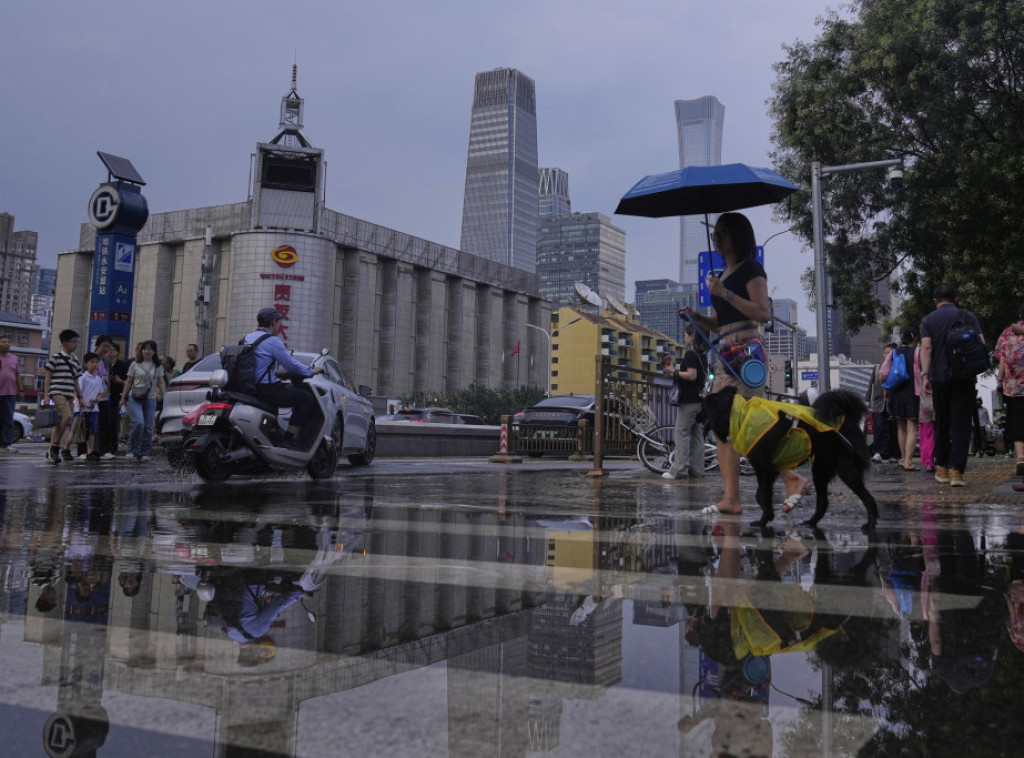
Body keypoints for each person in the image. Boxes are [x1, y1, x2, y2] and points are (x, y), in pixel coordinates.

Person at [679, 212, 806, 515]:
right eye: (715, 234)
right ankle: (732, 498)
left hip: (746, 354)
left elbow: (762, 313)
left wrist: (726, 293)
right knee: (723, 428)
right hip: (725, 355)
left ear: (737, 235)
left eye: (723, 232)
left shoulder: (751, 269)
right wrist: (697, 318)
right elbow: (721, 323)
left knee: (747, 426)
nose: (717, 238)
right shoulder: (720, 276)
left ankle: (791, 477)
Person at [920, 283, 984, 487]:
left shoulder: (929, 320)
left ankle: (942, 469)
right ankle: (957, 472)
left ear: (935, 301)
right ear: (956, 299)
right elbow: (981, 343)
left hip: (939, 377)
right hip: (964, 377)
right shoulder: (968, 316)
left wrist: (925, 376)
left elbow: (927, 348)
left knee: (942, 422)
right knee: (961, 424)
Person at [245, 306, 323, 449]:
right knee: (306, 398)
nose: (279, 326)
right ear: (273, 322)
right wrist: (312, 371)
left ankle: (273, 432)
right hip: (265, 389)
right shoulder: (272, 341)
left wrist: (273, 374)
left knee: (279, 391)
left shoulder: (247, 338)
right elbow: (291, 365)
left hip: (247, 387)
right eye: (278, 323)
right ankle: (289, 439)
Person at [662, 324, 707, 480]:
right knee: (696, 436)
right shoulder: (702, 355)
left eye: (686, 335)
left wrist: (673, 372)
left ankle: (679, 470)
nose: (685, 338)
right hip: (700, 401)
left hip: (689, 401)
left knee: (681, 433)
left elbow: (691, 375)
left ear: (692, 336)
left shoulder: (690, 355)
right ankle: (697, 470)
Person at [881, 327, 920, 471]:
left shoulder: (893, 352)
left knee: (900, 427)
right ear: (915, 338)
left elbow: (883, 372)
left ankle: (903, 459)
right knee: (912, 427)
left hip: (896, 393)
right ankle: (908, 462)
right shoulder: (917, 352)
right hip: (912, 393)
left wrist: (887, 389)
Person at [119, 340, 165, 462]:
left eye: (149, 349)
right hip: (135, 397)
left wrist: (163, 394)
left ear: (154, 351)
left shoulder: (157, 365)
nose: (146, 351)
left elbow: (160, 381)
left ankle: (145, 452)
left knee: (149, 426)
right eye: (144, 349)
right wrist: (123, 397)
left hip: (150, 398)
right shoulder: (134, 364)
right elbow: (129, 381)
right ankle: (132, 449)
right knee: (139, 422)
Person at [43, 329, 83, 464]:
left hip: (69, 393)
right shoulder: (56, 357)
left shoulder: (76, 360)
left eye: (77, 342)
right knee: (67, 417)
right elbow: (47, 377)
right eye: (73, 342)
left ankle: (51, 451)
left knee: (59, 423)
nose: (76, 345)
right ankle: (55, 446)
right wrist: (46, 395)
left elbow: (76, 380)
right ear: (65, 343)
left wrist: (80, 396)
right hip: (56, 391)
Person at [994, 304, 1024, 479]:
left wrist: (999, 381)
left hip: (1014, 387)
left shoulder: (1008, 332)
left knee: (1017, 422)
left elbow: (1002, 359)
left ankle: (1020, 457)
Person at [77, 352, 107, 461]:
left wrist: (97, 399)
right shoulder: (82, 377)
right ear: (86, 364)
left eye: (96, 362)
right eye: (92, 362)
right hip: (82, 409)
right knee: (82, 430)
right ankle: (72, 450)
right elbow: (78, 392)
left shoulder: (98, 379)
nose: (94, 364)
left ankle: (90, 451)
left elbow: (100, 393)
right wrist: (83, 403)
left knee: (93, 430)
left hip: (94, 409)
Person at [866, 344, 893, 462]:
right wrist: (867, 402)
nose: (888, 355)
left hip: (892, 403)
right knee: (879, 427)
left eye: (890, 352)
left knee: (894, 428)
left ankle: (894, 454)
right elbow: (870, 386)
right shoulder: (877, 368)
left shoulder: (898, 368)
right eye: (886, 353)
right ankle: (878, 452)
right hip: (878, 403)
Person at [0, 334, 20, 454]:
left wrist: (21, 389)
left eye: (8, 342)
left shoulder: (14, 358)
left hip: (10, 393)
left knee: (8, 419)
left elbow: (17, 374)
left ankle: (6, 443)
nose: (7, 344)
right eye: (3, 342)